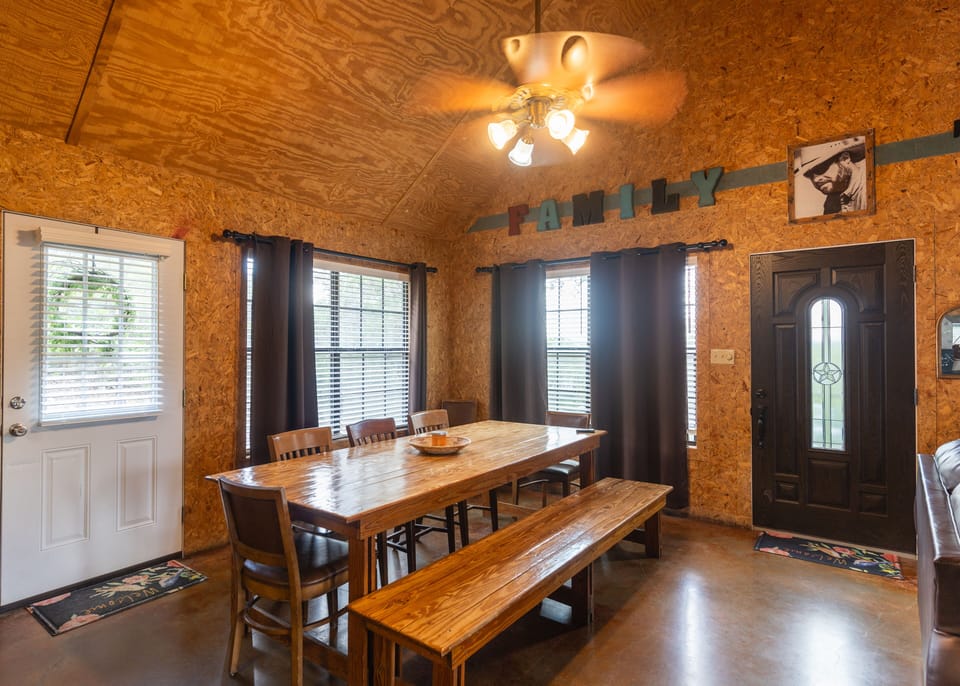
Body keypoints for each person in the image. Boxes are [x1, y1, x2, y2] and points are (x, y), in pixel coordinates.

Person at [794, 138, 868, 215]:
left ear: (845, 159)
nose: (815, 179)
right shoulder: (832, 201)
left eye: (820, 169)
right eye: (810, 175)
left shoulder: (869, 189)